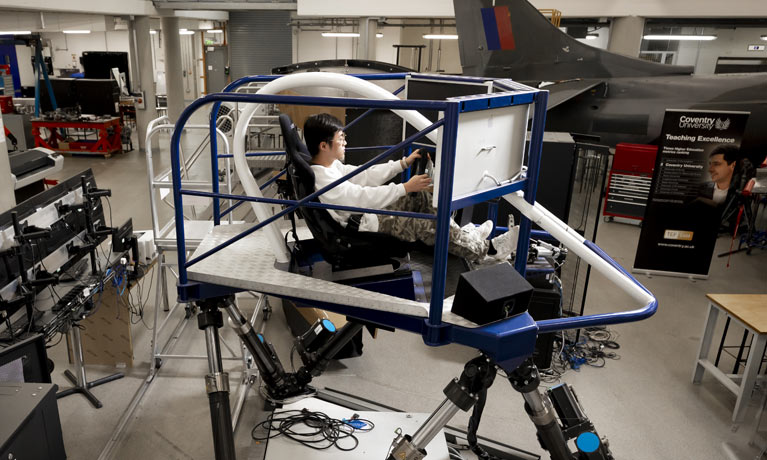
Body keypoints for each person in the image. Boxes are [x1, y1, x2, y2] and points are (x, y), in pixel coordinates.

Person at [302, 113, 517, 263]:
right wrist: (404, 187)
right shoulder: (324, 180)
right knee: (425, 223)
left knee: (422, 196)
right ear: (324, 145)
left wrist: (401, 164)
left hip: (366, 215)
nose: (345, 143)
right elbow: (361, 198)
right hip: (364, 225)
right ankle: (488, 249)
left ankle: (466, 238)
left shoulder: (330, 166)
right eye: (341, 139)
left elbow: (362, 175)